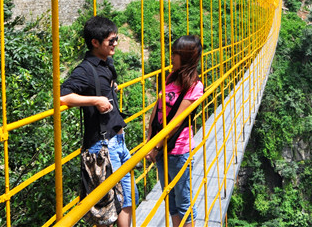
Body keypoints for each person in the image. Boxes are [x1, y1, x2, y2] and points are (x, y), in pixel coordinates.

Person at [60, 15, 136, 227]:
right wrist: (95, 100)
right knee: (106, 210)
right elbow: (62, 97)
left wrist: (111, 90)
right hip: (102, 146)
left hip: (118, 141)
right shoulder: (85, 70)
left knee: (128, 200)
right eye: (110, 41)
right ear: (95, 43)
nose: (115, 44)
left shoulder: (107, 64)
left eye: (116, 39)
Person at [146, 35, 204, 227]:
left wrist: (156, 146)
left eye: (176, 54)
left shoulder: (195, 86)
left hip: (178, 150)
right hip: (160, 147)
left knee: (184, 203)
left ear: (186, 57)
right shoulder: (171, 77)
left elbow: (177, 122)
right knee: (170, 201)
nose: (171, 57)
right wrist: (149, 137)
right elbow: (158, 106)